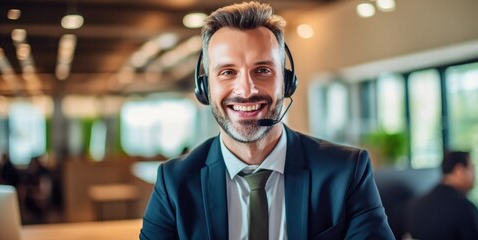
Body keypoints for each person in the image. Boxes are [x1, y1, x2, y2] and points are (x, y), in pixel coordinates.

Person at [140, 2, 393, 239]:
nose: (246, 90)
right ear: (205, 88)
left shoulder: (346, 171)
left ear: (287, 82)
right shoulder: (174, 182)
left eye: (262, 70)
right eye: (228, 72)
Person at [405, 151, 478, 240]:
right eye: (472, 168)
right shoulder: (465, 208)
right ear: (459, 170)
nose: (474, 174)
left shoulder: (415, 204)